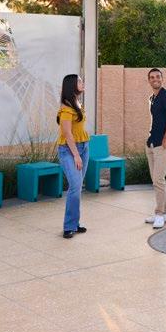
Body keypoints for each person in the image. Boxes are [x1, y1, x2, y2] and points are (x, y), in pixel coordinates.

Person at [56, 74, 89, 239]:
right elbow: (67, 133)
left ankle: (75, 224)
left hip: (84, 147)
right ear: (72, 85)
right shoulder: (66, 108)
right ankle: (69, 226)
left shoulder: (77, 103)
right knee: (75, 186)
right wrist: (76, 155)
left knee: (77, 187)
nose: (82, 83)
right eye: (79, 81)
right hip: (69, 150)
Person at [145, 68, 166, 229]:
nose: (155, 79)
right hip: (152, 143)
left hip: (163, 145)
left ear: (162, 79)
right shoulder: (152, 98)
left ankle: (159, 214)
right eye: (152, 77)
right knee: (157, 180)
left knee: (158, 180)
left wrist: (165, 139)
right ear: (149, 80)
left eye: (158, 76)